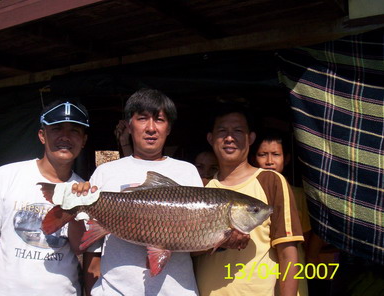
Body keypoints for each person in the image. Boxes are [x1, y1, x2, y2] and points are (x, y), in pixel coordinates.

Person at [82, 88, 248, 296]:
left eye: (159, 120)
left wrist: (223, 241)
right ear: (129, 125)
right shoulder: (106, 172)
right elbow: (92, 247)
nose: (151, 128)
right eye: (142, 119)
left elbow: (194, 243)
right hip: (114, 291)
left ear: (169, 128)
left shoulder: (186, 171)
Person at [0, 100, 90, 296]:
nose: (65, 137)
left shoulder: (86, 191)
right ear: (42, 135)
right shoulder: (5, 176)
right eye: (57, 129)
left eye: (74, 131)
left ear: (83, 140)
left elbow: (80, 248)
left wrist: (77, 205)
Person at [193, 102, 304, 296]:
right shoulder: (202, 188)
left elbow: (288, 253)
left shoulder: (270, 181)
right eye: (222, 131)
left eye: (237, 130)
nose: (229, 138)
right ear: (210, 138)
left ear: (250, 138)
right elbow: (189, 251)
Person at [251, 129, 310, 295]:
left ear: (287, 158)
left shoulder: (298, 195)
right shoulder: (250, 194)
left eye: (276, 154)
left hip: (292, 266)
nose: (269, 161)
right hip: (259, 272)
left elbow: (308, 236)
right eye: (263, 154)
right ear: (253, 158)